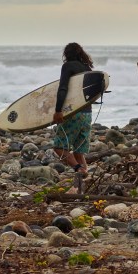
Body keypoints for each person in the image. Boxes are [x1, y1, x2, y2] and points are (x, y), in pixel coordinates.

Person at [52, 42, 94, 176]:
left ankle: (79, 169)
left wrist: (58, 110)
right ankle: (85, 176)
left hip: (73, 113)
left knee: (59, 147)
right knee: (78, 151)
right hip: (87, 113)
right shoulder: (87, 68)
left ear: (66, 54)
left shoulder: (68, 66)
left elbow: (63, 88)